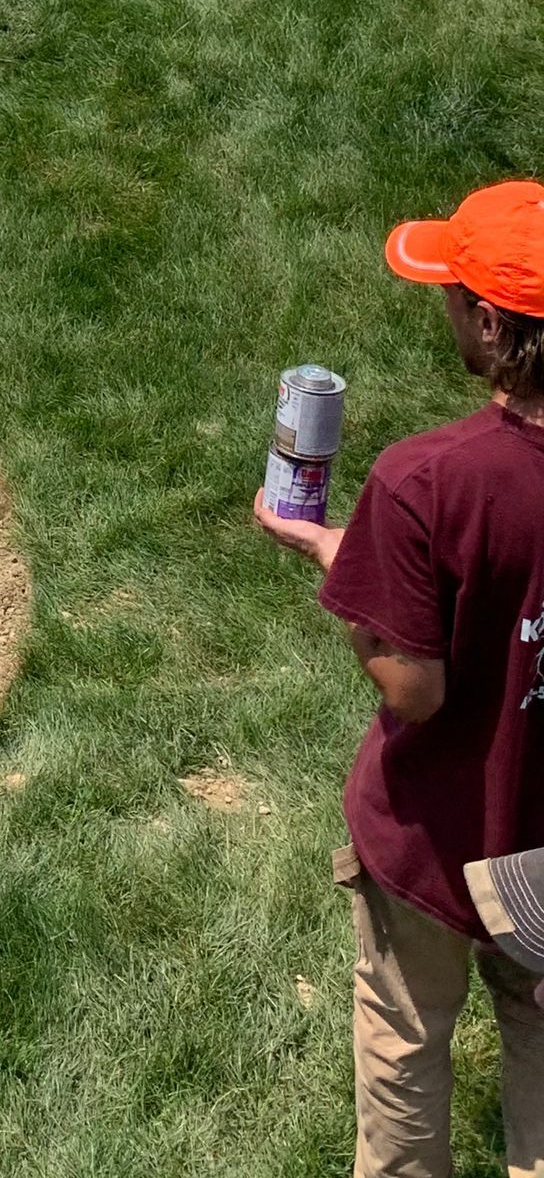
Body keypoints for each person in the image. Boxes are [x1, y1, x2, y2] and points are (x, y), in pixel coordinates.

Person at [256, 179, 544, 1178]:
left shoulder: (428, 480)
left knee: (406, 1044)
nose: (447, 307)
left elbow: (411, 686)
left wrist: (344, 559)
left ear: (492, 323)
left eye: (456, 292)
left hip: (438, 837)